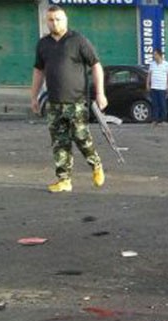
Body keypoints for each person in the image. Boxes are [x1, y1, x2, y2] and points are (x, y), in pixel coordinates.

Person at [30, 5, 106, 193]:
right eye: (51, 20)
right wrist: (34, 96)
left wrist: (100, 93)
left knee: (81, 137)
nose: (54, 23)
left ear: (66, 19)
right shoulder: (43, 44)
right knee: (59, 142)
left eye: (58, 19)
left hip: (76, 101)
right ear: (46, 21)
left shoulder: (78, 40)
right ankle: (64, 180)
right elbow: (38, 71)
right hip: (54, 103)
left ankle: (96, 164)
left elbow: (96, 65)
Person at [147, 49, 168, 125]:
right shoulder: (152, 64)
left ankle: (163, 120)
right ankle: (155, 120)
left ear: (159, 55)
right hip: (154, 87)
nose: (154, 56)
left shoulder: (166, 64)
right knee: (155, 104)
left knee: (162, 104)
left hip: (162, 87)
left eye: (155, 54)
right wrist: (147, 84)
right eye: (153, 55)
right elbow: (149, 75)